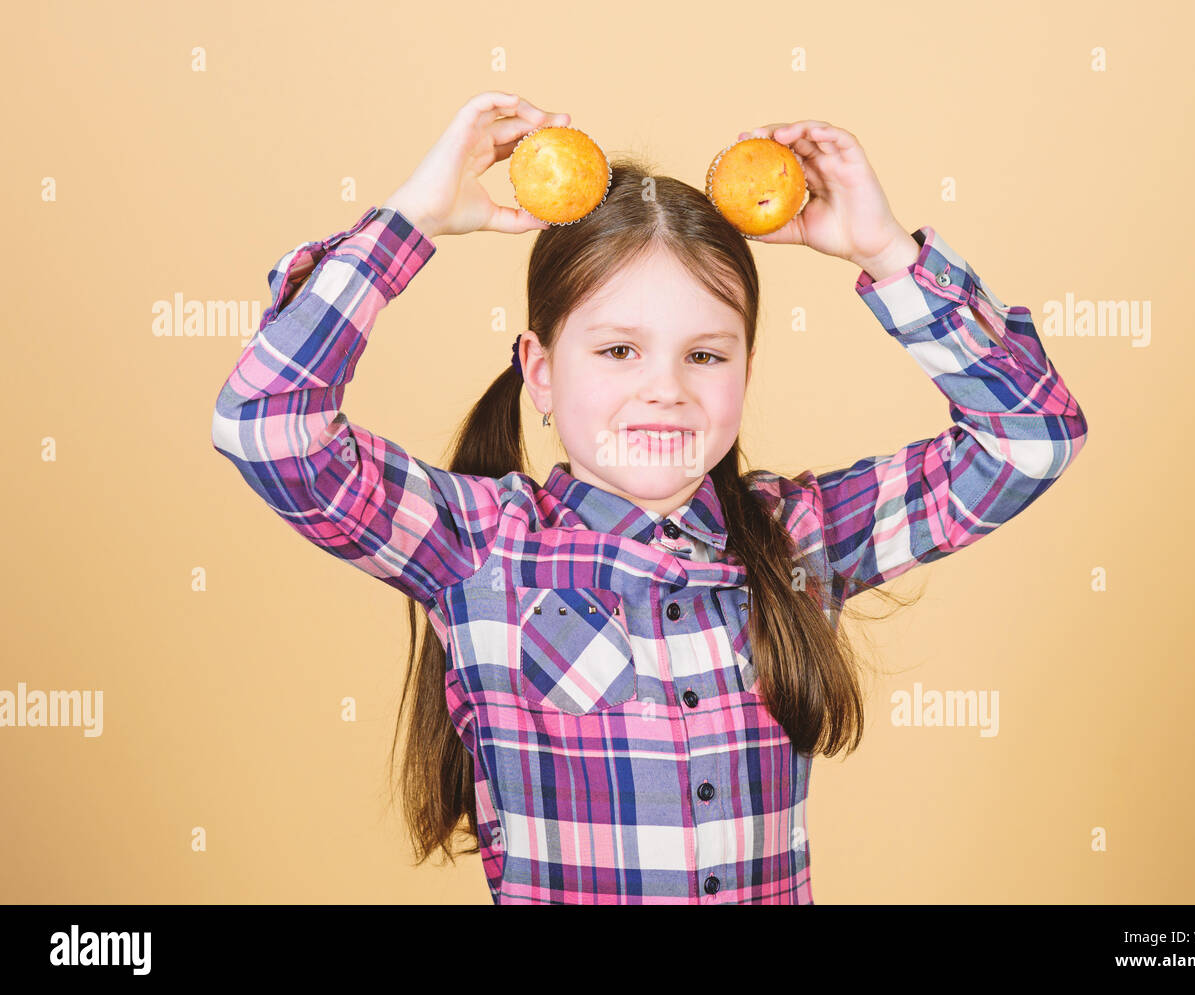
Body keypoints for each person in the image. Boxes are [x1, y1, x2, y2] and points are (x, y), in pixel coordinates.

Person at [210, 91, 1088, 904]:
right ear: (541, 372)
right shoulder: (478, 549)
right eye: (618, 351)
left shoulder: (798, 539)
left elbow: (1031, 437)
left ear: (747, 370)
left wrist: (886, 252)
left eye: (704, 355)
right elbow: (268, 425)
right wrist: (411, 221)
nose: (665, 390)